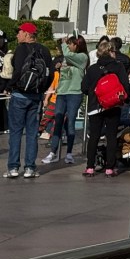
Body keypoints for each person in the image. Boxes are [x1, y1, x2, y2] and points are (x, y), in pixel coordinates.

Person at [3, 23, 53, 178]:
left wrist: (9, 87)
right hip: (36, 98)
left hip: (19, 95)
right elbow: (50, 74)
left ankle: (13, 168)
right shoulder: (44, 50)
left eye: (19, 32)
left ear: (27, 34)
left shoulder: (21, 49)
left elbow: (17, 71)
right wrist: (42, 89)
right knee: (32, 134)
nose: (17, 35)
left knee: (16, 132)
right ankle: (30, 168)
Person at [81, 40, 130, 177]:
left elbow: (84, 88)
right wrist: (126, 99)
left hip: (95, 107)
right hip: (113, 105)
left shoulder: (92, 69)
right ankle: (109, 168)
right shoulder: (119, 67)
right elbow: (125, 86)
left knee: (94, 137)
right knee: (111, 136)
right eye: (113, 51)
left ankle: (90, 167)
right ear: (110, 51)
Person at [42, 35, 89, 165]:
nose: (68, 46)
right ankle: (53, 152)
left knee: (70, 122)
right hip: (62, 93)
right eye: (67, 44)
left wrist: (63, 44)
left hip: (74, 93)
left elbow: (68, 55)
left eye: (70, 44)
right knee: (58, 121)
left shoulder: (82, 57)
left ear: (77, 45)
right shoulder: (67, 57)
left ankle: (69, 153)